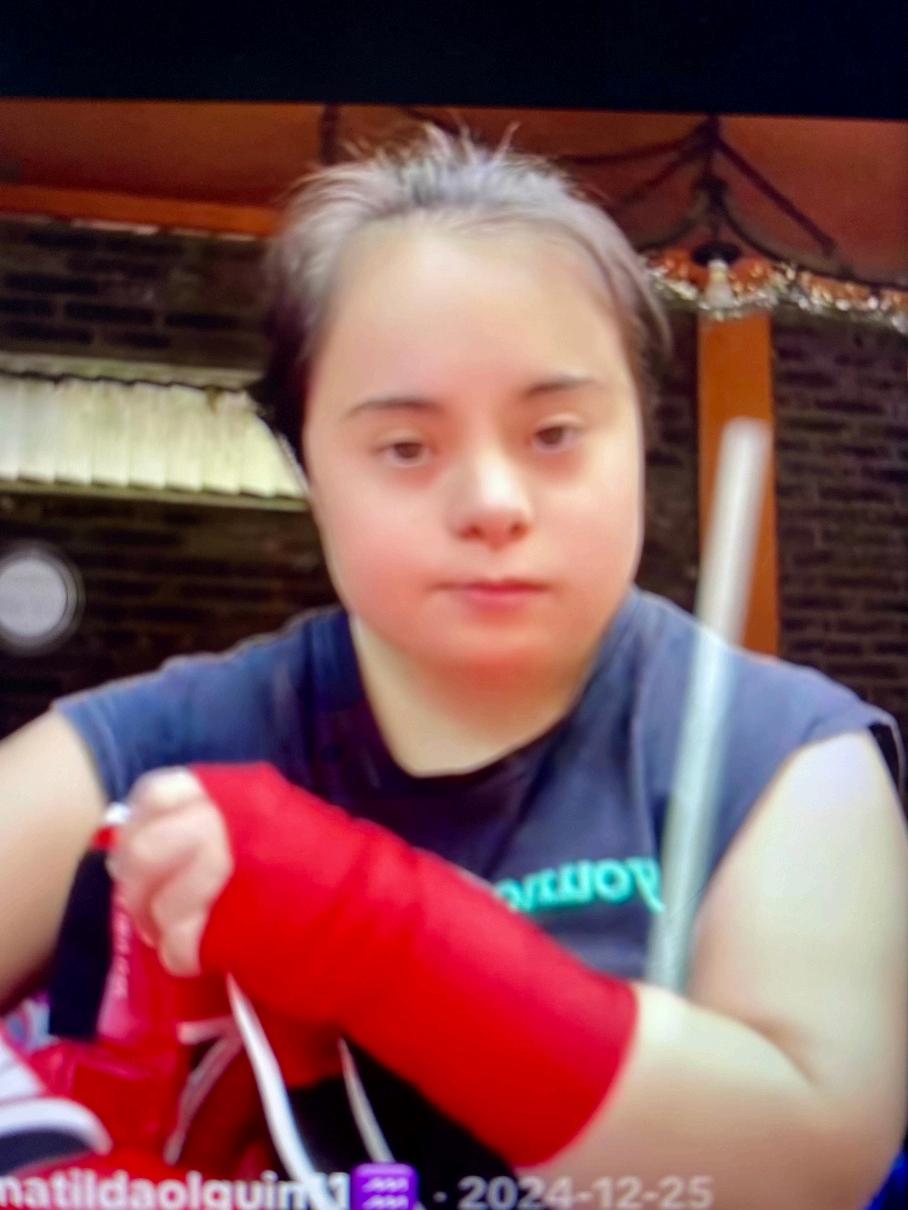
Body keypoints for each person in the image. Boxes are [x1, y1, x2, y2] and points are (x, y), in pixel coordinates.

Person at [1, 125, 906, 1210]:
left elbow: (808, 1167)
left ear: (638, 434)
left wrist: (367, 926)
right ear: (307, 465)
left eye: (554, 433)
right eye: (405, 447)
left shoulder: (790, 759)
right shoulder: (158, 748)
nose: (491, 503)